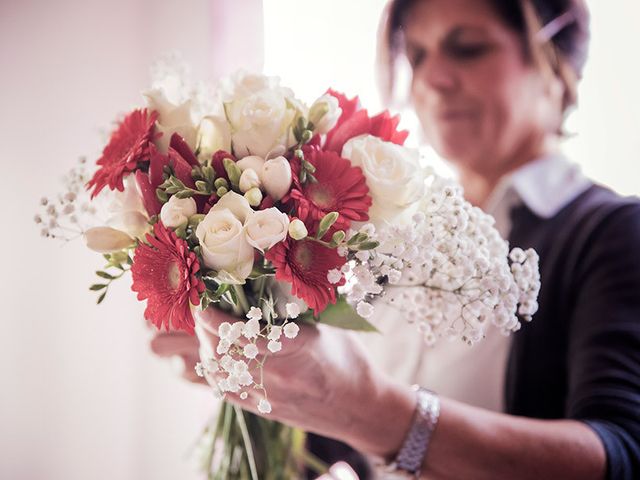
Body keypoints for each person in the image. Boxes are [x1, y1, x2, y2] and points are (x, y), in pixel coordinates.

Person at [151, 0, 640, 478]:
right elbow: (333, 442)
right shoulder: (385, 237)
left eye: (468, 48)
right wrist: (256, 373)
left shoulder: (610, 233)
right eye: (418, 56)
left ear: (555, 62)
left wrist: (371, 410)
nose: (432, 79)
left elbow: (622, 454)